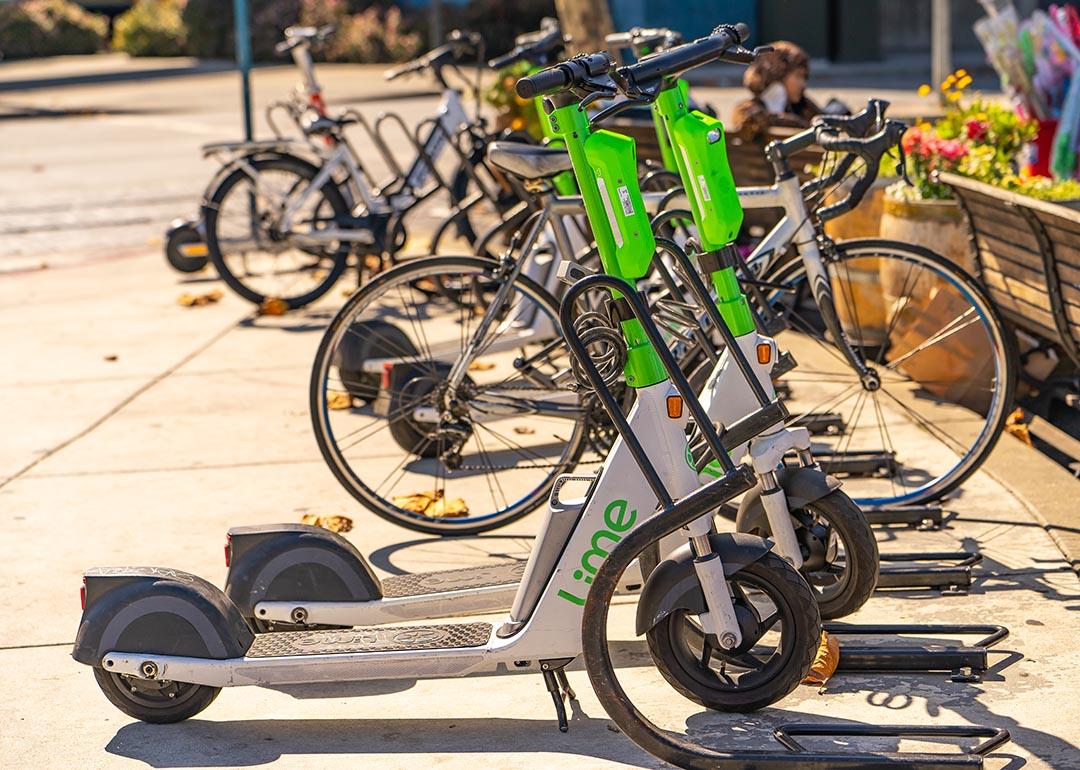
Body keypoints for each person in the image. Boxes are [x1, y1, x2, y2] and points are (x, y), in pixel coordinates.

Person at [732, 41, 821, 141]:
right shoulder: (749, 113)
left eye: (804, 78)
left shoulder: (805, 107)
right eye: (798, 76)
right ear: (777, 77)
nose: (803, 84)